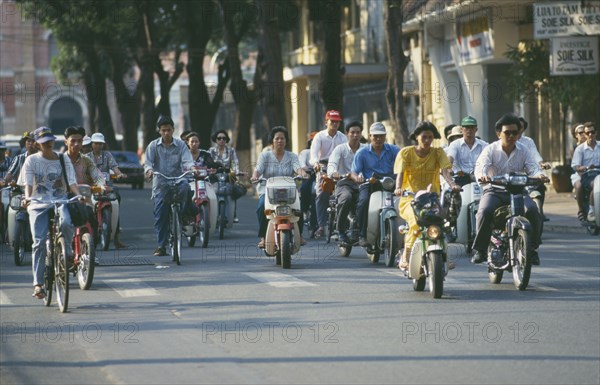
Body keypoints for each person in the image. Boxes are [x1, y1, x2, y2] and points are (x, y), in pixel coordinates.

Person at [472, 112, 548, 266]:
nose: (512, 136)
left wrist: (540, 175)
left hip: (518, 191)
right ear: (499, 133)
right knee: (484, 211)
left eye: (515, 132)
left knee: (533, 210)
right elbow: (480, 167)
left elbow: (533, 168)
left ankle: (532, 248)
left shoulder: (524, 149)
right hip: (494, 191)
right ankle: (479, 249)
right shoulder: (490, 150)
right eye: (507, 132)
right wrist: (483, 176)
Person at [20, 126, 81, 299]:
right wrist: (27, 198)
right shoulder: (31, 161)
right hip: (38, 203)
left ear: (54, 141)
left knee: (67, 223)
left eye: (50, 140)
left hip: (60, 201)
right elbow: (28, 185)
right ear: (38, 144)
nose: (48, 144)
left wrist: (79, 196)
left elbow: (71, 182)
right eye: (44, 142)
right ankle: (38, 284)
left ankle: (67, 252)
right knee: (38, 243)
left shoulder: (63, 159)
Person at [394, 121, 460, 270]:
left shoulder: (438, 153)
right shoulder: (405, 152)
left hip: (432, 199)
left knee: (441, 223)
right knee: (417, 223)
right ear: (416, 137)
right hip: (410, 199)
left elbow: (445, 172)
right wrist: (398, 188)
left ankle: (443, 256)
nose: (427, 141)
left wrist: (452, 185)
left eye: (430, 137)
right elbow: (400, 173)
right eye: (424, 137)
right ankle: (405, 256)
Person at [144, 115, 196, 257]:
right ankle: (161, 246)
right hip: (161, 183)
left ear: (173, 130)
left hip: (178, 180)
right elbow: (148, 163)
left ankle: (184, 214)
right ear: (159, 131)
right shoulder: (153, 146)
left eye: (169, 130)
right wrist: (148, 171)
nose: (166, 133)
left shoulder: (181, 145)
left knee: (186, 187)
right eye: (163, 130)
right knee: (160, 214)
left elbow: (187, 161)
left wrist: (192, 168)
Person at [251, 126, 308, 249]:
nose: (280, 141)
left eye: (282, 138)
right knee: (261, 206)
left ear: (286, 141)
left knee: (299, 208)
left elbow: (297, 168)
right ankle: (263, 237)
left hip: (288, 191)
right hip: (268, 191)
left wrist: (303, 174)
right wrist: (255, 176)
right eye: (277, 138)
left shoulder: (292, 156)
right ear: (272, 140)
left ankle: (300, 235)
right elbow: (258, 170)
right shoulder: (265, 156)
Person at [350, 122, 400, 247]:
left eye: (381, 136)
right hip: (370, 183)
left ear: (385, 136)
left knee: (405, 201)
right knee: (363, 202)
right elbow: (353, 172)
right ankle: (362, 234)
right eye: (375, 136)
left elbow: (403, 166)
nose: (378, 139)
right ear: (369, 136)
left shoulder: (394, 150)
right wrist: (357, 179)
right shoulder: (362, 152)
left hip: (390, 183)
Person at [85, 132, 127, 248]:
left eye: (100, 144)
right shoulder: (87, 157)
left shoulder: (107, 155)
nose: (98, 146)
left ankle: (116, 237)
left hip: (107, 188)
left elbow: (115, 167)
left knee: (117, 199)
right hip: (93, 188)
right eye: (96, 143)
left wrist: (119, 174)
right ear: (92, 144)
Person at [310, 110, 347, 238]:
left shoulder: (343, 137)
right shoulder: (319, 136)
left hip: (339, 167)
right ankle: (321, 226)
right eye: (332, 121)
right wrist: (315, 164)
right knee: (321, 194)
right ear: (326, 122)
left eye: (337, 121)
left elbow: (346, 153)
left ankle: (344, 223)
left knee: (345, 192)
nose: (335, 124)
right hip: (323, 166)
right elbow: (313, 155)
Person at [327, 121, 366, 244]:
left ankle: (364, 231)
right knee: (346, 198)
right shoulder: (340, 149)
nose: (355, 135)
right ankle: (341, 230)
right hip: (344, 183)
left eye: (358, 132)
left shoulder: (366, 149)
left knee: (370, 201)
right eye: (352, 132)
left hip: (363, 184)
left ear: (361, 134)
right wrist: (334, 173)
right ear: (347, 134)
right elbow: (332, 164)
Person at [518, 116, 550, 221]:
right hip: (513, 176)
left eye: (520, 127)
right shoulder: (502, 143)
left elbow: (534, 154)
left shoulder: (528, 141)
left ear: (523, 129)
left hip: (527, 173)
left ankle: (540, 212)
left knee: (540, 185)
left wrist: (541, 164)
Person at [209, 129, 242, 223]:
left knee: (232, 192)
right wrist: (209, 171)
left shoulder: (231, 150)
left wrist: (236, 172)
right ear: (215, 140)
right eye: (219, 138)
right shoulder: (211, 151)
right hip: (214, 174)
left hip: (228, 174)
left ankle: (233, 214)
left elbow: (235, 162)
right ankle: (210, 214)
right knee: (211, 194)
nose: (221, 140)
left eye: (224, 138)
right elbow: (208, 163)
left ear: (226, 140)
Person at [572, 122, 600, 222]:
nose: (590, 135)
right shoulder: (580, 149)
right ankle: (591, 211)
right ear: (584, 134)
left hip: (599, 174)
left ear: (596, 133)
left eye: (592, 132)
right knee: (595, 185)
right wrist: (582, 168)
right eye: (587, 133)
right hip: (587, 176)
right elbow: (575, 166)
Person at [298, 132, 318, 237]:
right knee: (305, 188)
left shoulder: (323, 152)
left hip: (320, 176)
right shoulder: (305, 152)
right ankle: (304, 210)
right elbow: (301, 165)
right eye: (313, 141)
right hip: (309, 175)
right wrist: (307, 171)